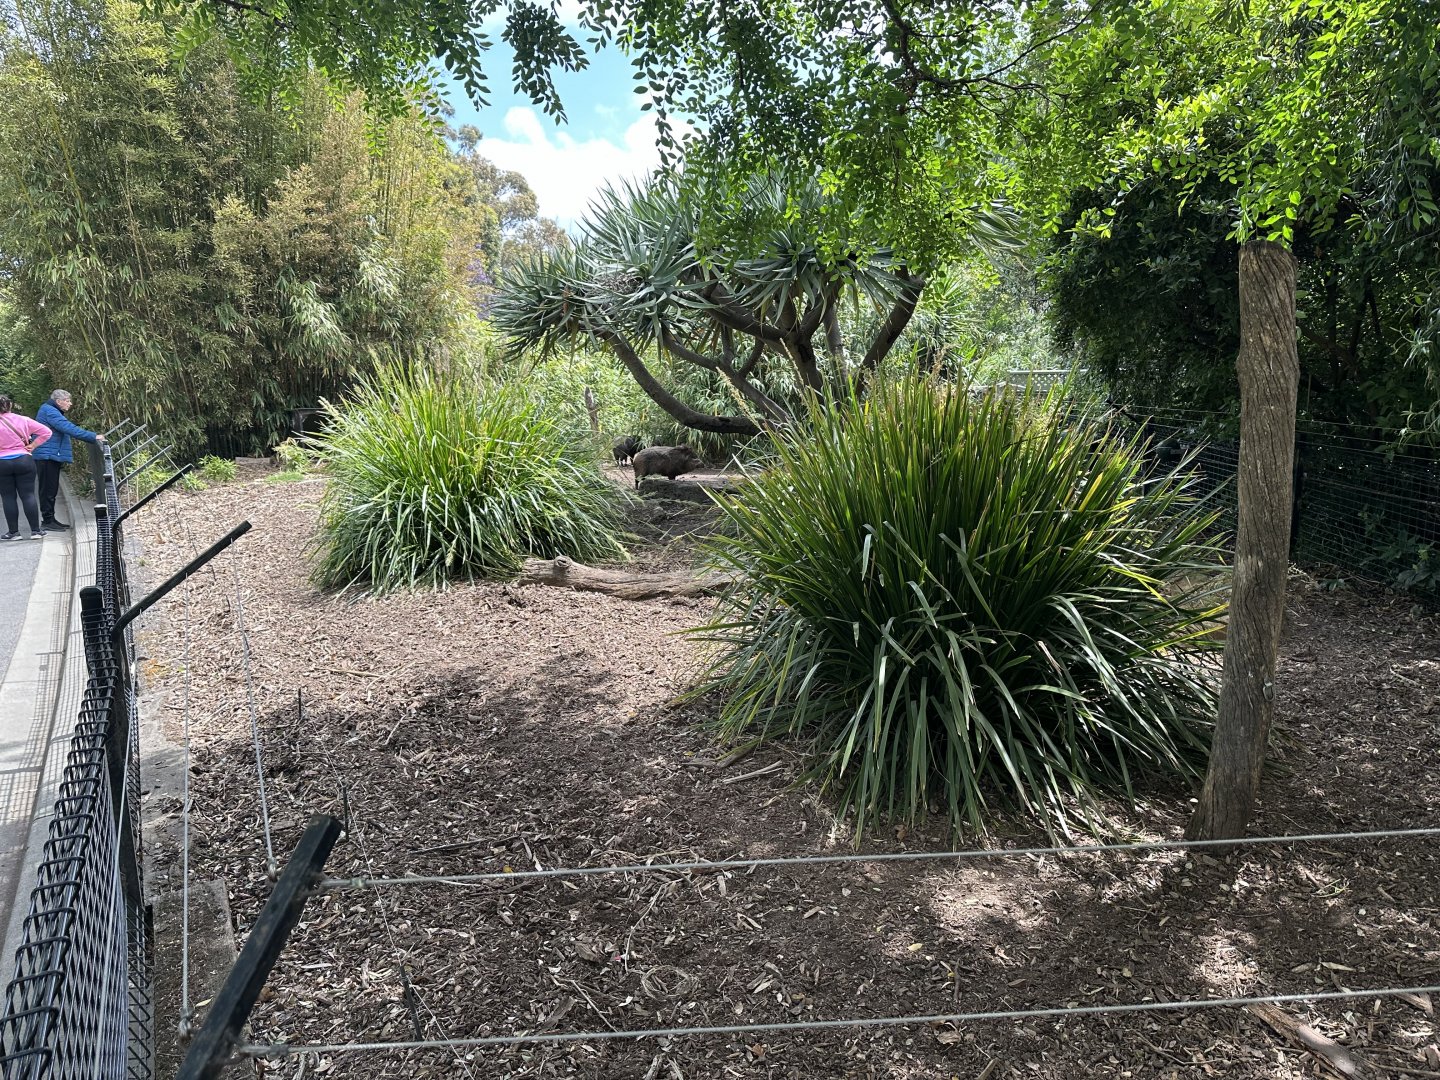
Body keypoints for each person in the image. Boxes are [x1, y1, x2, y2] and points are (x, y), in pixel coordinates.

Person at [33, 389, 104, 532]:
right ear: (59, 401)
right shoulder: (50, 411)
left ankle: (50, 519)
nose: (70, 404)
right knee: (47, 489)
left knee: (50, 489)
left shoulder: (49, 409)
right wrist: (93, 436)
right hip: (47, 455)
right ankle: (47, 520)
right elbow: (68, 428)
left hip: (49, 454)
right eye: (68, 401)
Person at [0, 393, 51, 540]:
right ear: (9, 405)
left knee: (8, 497)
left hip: (2, 462)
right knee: (28, 495)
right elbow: (46, 432)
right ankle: (35, 531)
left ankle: (13, 533)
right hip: (23, 459)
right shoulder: (22, 419)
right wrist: (33, 445)